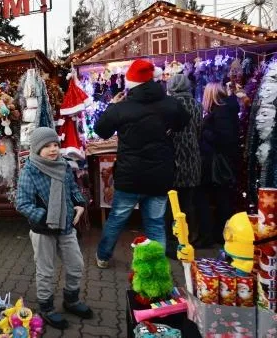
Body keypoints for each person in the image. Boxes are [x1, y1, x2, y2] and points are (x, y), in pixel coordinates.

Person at [94, 59, 190, 269]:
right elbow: (184, 121)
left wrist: (112, 106)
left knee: (117, 219)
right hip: (159, 175)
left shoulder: (122, 107)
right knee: (155, 222)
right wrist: (167, 129)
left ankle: (103, 256)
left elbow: (101, 130)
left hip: (130, 175)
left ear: (130, 83)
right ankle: (156, 266)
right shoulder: (169, 103)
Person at [16, 127, 93, 329]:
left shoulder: (64, 166)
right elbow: (22, 203)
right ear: (36, 148)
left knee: (76, 264)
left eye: (55, 145)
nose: (52, 150)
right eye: (47, 146)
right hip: (43, 230)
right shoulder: (30, 171)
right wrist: (45, 217)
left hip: (66, 226)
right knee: (46, 271)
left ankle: (71, 300)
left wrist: (79, 204)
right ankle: (47, 307)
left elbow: (73, 189)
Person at [196, 82, 240, 247]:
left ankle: (216, 235)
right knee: (221, 198)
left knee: (213, 197)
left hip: (217, 163)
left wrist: (203, 132)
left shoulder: (221, 111)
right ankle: (219, 234)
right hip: (221, 161)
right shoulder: (226, 109)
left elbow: (223, 138)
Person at [165, 74, 203, 255]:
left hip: (174, 156)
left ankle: (173, 238)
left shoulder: (169, 104)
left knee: (172, 202)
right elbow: (199, 129)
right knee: (189, 202)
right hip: (193, 156)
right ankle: (189, 237)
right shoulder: (197, 105)